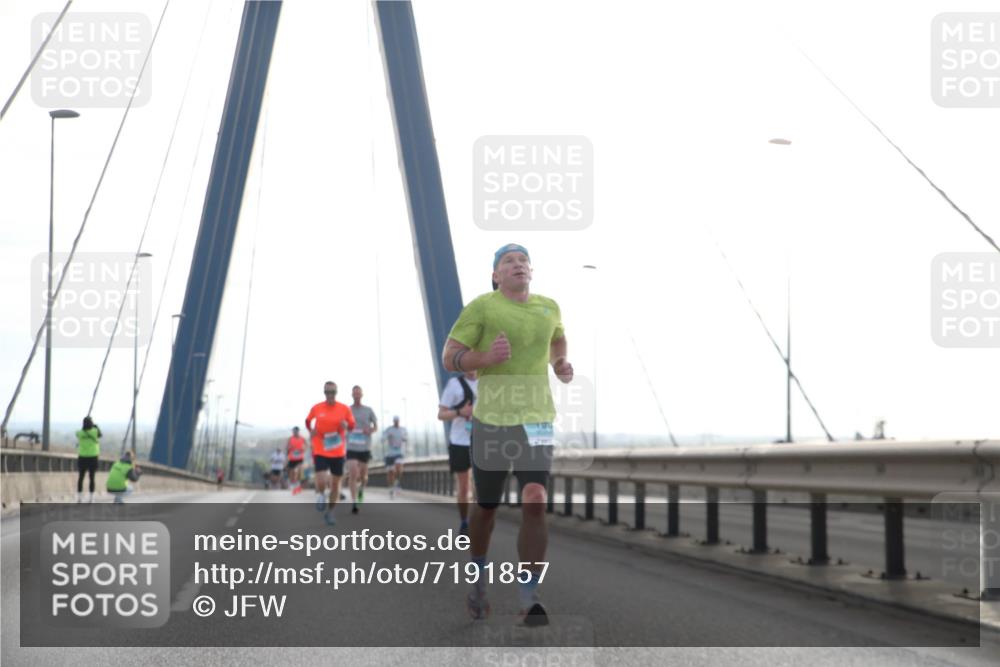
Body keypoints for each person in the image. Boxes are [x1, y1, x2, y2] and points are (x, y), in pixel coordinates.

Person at [442, 243, 572, 626]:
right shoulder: (482, 307)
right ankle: (478, 579)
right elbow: (450, 356)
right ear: (496, 275)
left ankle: (528, 597)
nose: (518, 265)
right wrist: (484, 359)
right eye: (508, 262)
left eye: (523, 261)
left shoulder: (549, 306)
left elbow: (557, 339)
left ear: (530, 272)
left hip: (537, 419)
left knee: (535, 499)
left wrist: (560, 362)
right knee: (487, 507)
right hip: (493, 422)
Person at [306, 381, 355, 525]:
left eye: (332, 392)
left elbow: (352, 425)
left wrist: (347, 425)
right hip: (320, 448)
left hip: (338, 450)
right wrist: (311, 430)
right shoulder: (317, 407)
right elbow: (308, 421)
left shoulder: (344, 409)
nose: (330, 395)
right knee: (321, 479)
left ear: (336, 392)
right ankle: (321, 494)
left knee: (335, 484)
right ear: (324, 393)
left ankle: (330, 512)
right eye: (327, 392)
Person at [438, 370, 478, 535]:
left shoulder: (488, 382)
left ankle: (477, 520)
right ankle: (465, 522)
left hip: (483, 441)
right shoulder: (454, 384)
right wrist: (460, 412)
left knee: (480, 487)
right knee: (463, 487)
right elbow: (441, 414)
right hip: (459, 441)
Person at [347, 385, 378, 514]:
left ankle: (361, 490)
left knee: (364, 477)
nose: (356, 396)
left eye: (358, 393)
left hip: (365, 447)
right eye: (354, 393)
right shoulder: (347, 410)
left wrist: (369, 430)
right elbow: (342, 425)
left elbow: (376, 427)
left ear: (362, 395)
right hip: (352, 446)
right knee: (353, 473)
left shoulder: (368, 410)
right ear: (352, 395)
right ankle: (354, 502)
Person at [75, 416, 101, 503]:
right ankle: (91, 498)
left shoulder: (79, 433)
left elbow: (78, 433)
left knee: (81, 477)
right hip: (93, 457)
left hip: (82, 457)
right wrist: (95, 426)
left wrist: (83, 428)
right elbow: (100, 435)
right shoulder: (95, 431)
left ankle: (79, 497)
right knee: (92, 478)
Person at [382, 416, 407, 498]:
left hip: (399, 453)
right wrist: (385, 438)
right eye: (395, 421)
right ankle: (391, 488)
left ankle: (397, 482)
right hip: (390, 454)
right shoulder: (389, 429)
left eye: (397, 421)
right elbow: (383, 437)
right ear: (393, 421)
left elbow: (406, 438)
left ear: (399, 421)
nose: (396, 422)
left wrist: (404, 439)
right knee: (390, 473)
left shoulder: (403, 429)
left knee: (399, 468)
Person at [286, 426, 307, 494]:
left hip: (300, 457)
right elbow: (287, 447)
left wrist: (304, 449)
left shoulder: (302, 438)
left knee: (299, 470)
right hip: (292, 458)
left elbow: (306, 445)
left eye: (295, 431)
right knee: (292, 472)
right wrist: (289, 448)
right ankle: (292, 483)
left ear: (298, 431)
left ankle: (297, 483)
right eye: (293, 431)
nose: (294, 432)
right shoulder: (290, 439)